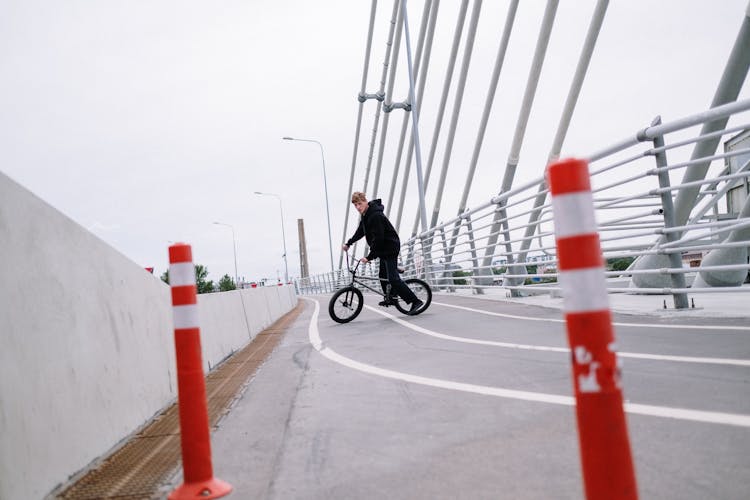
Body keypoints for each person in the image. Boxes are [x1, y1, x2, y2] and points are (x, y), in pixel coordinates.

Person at [342, 192, 424, 315]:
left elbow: (379, 239)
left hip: (390, 247)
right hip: (383, 249)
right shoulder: (365, 215)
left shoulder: (375, 216)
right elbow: (360, 231)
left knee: (393, 279)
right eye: (355, 205)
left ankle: (415, 301)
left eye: (359, 204)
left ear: (365, 201)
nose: (358, 207)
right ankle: (390, 298)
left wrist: (370, 257)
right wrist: (349, 243)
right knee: (382, 275)